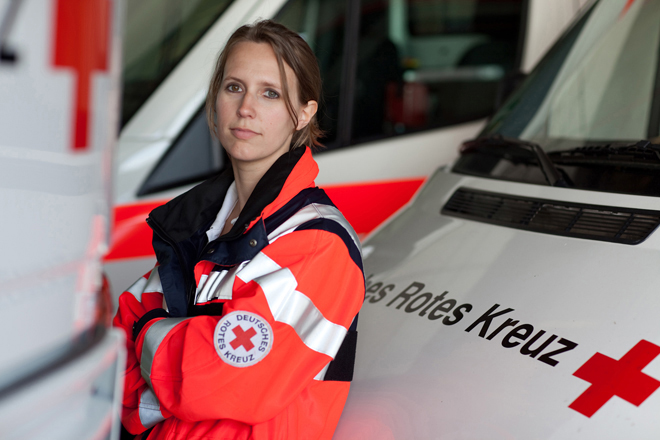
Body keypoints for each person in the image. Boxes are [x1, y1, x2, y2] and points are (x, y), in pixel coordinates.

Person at [113, 20, 365, 440]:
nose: (246, 107)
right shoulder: (199, 226)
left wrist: (150, 334)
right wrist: (184, 364)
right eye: (234, 87)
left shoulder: (319, 242)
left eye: (271, 93)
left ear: (304, 112)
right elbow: (118, 351)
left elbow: (228, 382)